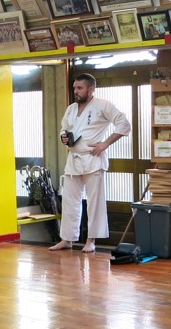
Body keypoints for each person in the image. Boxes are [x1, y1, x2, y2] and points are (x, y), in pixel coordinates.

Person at [49, 73, 130, 253]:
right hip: (74, 159)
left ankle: (91, 240)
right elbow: (64, 128)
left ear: (91, 89)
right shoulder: (71, 109)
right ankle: (67, 239)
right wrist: (64, 137)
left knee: (95, 202)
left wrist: (105, 143)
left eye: (80, 88)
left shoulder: (103, 105)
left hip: (93, 158)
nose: (76, 91)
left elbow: (124, 124)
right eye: (74, 88)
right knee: (69, 201)